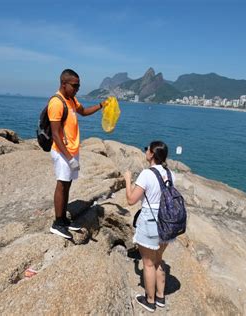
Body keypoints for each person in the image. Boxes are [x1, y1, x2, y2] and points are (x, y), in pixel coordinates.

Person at [48, 69, 110, 239]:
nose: (77, 89)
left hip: (72, 150)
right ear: (64, 84)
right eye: (74, 86)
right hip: (62, 152)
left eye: (78, 86)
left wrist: (100, 105)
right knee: (61, 184)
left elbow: (83, 112)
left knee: (67, 184)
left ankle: (63, 220)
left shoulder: (71, 99)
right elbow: (55, 134)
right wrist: (69, 158)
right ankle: (57, 223)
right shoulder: (56, 103)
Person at [124, 141, 175, 312]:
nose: (145, 150)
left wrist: (127, 180)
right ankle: (160, 297)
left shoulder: (146, 174)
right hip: (167, 222)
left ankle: (150, 300)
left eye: (147, 149)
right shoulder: (169, 173)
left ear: (152, 154)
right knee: (158, 259)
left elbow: (131, 200)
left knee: (147, 263)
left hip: (151, 221)